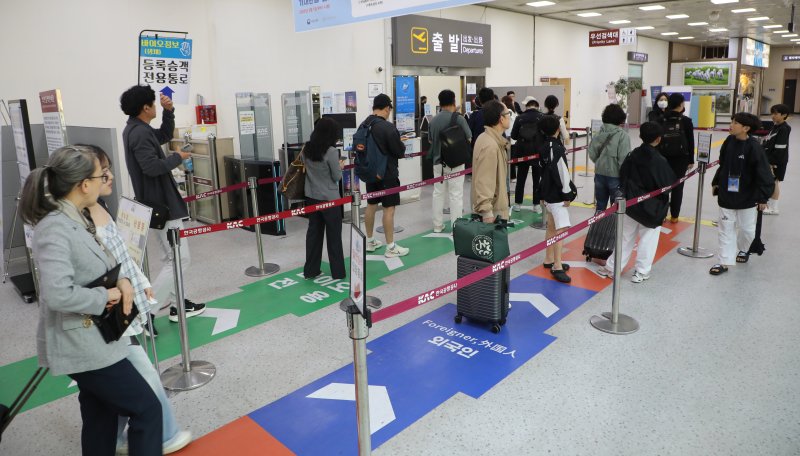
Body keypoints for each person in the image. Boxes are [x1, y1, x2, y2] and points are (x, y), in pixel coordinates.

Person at [21, 146, 162, 455]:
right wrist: (106, 295)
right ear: (84, 184)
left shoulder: (76, 217)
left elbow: (94, 265)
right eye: (102, 175)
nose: (106, 180)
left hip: (97, 336)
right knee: (147, 409)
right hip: (83, 343)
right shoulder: (55, 228)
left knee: (101, 418)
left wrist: (122, 280)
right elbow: (57, 293)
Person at [80, 145, 192, 455]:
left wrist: (139, 283)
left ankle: (117, 439)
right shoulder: (76, 224)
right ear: (83, 181)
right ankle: (166, 434)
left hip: (122, 310)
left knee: (101, 396)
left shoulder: (100, 206)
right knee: (144, 381)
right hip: (111, 316)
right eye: (104, 172)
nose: (111, 176)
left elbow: (122, 260)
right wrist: (116, 292)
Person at [120, 85, 206, 325]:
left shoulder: (137, 129)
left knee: (174, 257)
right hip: (162, 206)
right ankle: (144, 309)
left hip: (156, 204)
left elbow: (164, 135)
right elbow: (151, 167)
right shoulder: (138, 133)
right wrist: (178, 157)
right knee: (179, 259)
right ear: (145, 108)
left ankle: (178, 305)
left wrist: (169, 112)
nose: (156, 106)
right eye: (154, 104)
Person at [597, 123, 676, 283]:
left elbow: (623, 175)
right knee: (648, 239)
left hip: (631, 204)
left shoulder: (632, 155)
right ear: (659, 139)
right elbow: (668, 184)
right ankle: (641, 272)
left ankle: (613, 267)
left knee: (625, 237)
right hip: (652, 207)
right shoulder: (659, 161)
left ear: (640, 136)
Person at [709, 113, 775, 275]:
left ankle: (744, 250)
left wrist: (762, 197)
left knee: (747, 230)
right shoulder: (729, 141)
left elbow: (764, 174)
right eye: (732, 121)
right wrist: (717, 182)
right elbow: (723, 164)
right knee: (726, 228)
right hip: (727, 194)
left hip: (748, 196)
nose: (731, 124)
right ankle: (723, 261)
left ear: (746, 128)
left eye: (735, 123)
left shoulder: (754, 148)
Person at [361, 94, 410, 258]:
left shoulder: (364, 124)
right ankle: (391, 247)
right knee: (389, 209)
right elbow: (399, 151)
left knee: (371, 205)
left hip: (370, 173)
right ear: (387, 108)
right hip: (387, 174)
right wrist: (400, 142)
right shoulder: (387, 127)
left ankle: (370, 241)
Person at [303, 118, 346, 279]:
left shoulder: (307, 148)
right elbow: (337, 176)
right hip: (330, 199)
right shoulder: (331, 152)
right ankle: (338, 272)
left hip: (312, 196)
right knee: (334, 237)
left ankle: (311, 270)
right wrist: (340, 167)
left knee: (314, 234)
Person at [537, 115, 575, 283]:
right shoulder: (556, 148)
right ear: (558, 129)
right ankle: (557, 265)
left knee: (551, 226)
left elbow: (541, 172)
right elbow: (562, 173)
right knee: (561, 229)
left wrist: (540, 194)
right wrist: (566, 195)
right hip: (557, 195)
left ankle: (549, 259)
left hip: (547, 194)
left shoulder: (544, 147)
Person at [429, 89, 471, 233]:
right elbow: (469, 138)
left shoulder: (433, 120)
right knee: (456, 194)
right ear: (454, 101)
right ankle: (455, 227)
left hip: (438, 163)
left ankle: (437, 226)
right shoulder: (459, 119)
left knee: (438, 193)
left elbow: (430, 140)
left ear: (439, 103)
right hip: (456, 163)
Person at [471, 100, 511, 223]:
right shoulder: (490, 145)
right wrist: (487, 212)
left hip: (495, 207)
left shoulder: (490, 139)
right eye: (508, 113)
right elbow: (484, 180)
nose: (510, 116)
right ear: (501, 118)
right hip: (493, 213)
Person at [658, 92, 695, 223]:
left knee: (662, 186)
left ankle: (661, 215)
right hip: (681, 159)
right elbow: (690, 142)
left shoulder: (661, 119)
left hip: (662, 158)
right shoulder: (686, 121)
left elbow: (657, 140)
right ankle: (674, 216)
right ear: (681, 104)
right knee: (678, 187)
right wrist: (691, 160)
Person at [588, 104, 632, 211]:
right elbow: (624, 160)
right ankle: (613, 227)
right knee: (615, 208)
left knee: (600, 206)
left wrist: (599, 162)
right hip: (615, 177)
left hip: (599, 175)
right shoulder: (623, 136)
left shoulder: (598, 133)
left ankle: (598, 227)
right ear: (620, 118)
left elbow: (592, 153)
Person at [510, 96, 544, 214]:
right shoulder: (542, 117)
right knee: (537, 178)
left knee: (521, 178)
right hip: (537, 152)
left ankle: (518, 204)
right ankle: (536, 205)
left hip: (522, 152)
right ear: (536, 104)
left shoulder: (519, 118)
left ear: (526, 105)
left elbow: (514, 136)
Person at [763, 103, 791, 215]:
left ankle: (774, 208)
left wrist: (771, 162)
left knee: (774, 182)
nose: (773, 116)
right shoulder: (775, 126)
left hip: (777, 161)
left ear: (784, 115)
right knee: (771, 182)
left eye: (776, 113)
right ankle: (769, 204)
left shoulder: (784, 129)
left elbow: (780, 148)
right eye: (772, 113)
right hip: (769, 159)